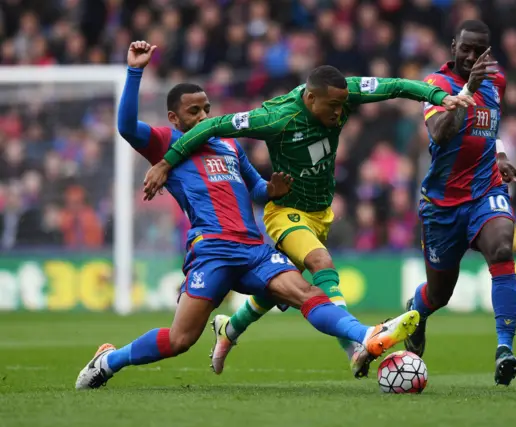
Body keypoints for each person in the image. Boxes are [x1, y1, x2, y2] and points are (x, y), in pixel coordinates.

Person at [75, 41, 420, 390]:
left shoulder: (228, 146)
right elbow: (127, 128)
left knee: (306, 292)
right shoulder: (167, 143)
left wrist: (272, 190)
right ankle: (108, 360)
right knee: (180, 340)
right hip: (212, 250)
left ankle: (367, 335)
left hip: (253, 247)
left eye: (206, 110)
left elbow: (255, 188)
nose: (202, 118)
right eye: (193, 112)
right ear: (174, 119)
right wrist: (135, 71)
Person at [141, 64, 475, 378]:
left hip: (320, 212)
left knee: (279, 289)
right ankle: (356, 344)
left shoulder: (343, 94)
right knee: (320, 263)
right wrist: (166, 162)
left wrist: (436, 96)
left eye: (343, 105)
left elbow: (395, 85)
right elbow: (214, 125)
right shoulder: (275, 118)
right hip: (285, 212)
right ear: (310, 98)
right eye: (332, 106)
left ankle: (229, 329)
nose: (339, 112)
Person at [403, 20, 516, 386]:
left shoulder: (497, 83)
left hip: (486, 190)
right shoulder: (436, 86)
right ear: (454, 45)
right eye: (465, 48)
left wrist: (499, 154)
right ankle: (417, 313)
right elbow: (441, 132)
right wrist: (467, 90)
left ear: (488, 51)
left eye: (479, 50)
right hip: (443, 205)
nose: (471, 56)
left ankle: (504, 349)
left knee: (502, 248)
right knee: (439, 295)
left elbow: (490, 128)